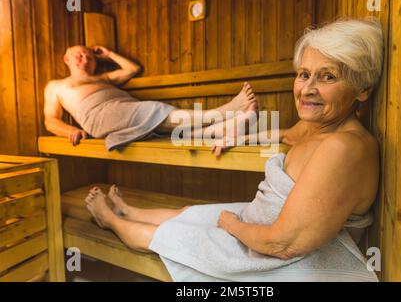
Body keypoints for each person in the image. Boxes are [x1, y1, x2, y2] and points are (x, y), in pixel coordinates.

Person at [85, 18, 383, 281]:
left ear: (362, 89)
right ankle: (128, 209)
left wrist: (232, 225)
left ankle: (110, 219)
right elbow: (287, 134)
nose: (307, 88)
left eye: (328, 76)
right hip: (263, 220)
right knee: (189, 213)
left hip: (279, 256)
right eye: (304, 74)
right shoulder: (321, 126)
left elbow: (282, 245)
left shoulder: (345, 148)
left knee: (165, 236)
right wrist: (239, 139)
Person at [44, 45, 258, 150]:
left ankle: (223, 129)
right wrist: (70, 130)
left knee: (157, 127)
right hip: (98, 115)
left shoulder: (104, 78)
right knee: (151, 111)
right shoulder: (57, 85)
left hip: (125, 109)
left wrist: (108, 55)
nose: (86, 59)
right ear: (66, 59)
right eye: (79, 55)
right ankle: (223, 112)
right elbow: (50, 120)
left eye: (90, 56)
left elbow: (132, 68)